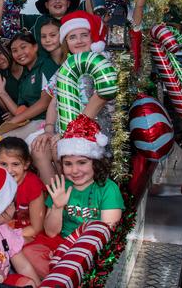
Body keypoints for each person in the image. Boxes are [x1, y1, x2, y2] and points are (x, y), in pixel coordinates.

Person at [23, 114, 124, 278]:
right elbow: (50, 232)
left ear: (95, 162)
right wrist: (57, 206)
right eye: (68, 164)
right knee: (28, 252)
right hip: (59, 243)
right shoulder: (62, 185)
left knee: (77, 268)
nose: (75, 171)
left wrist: (68, 255)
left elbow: (106, 235)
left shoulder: (108, 189)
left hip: (89, 248)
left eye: (82, 162)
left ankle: (61, 276)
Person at [30, 10, 111, 184]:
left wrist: (70, 133)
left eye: (84, 35)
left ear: (93, 38)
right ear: (66, 42)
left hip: (93, 130)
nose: (79, 40)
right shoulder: (64, 68)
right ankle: (58, 198)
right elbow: (53, 100)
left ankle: (74, 195)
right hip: (65, 129)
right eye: (72, 37)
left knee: (61, 151)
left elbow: (102, 97)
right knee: (40, 148)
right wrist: (49, 129)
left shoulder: (101, 62)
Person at [0, 32, 60, 140]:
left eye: (23, 47)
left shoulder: (46, 65)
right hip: (31, 123)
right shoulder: (25, 78)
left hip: (49, 122)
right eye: (14, 51)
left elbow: (45, 101)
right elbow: (20, 111)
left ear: (35, 47)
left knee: (0, 141)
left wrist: (13, 122)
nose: (19, 53)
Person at [0, 137, 46, 240]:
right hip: (2, 230)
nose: (9, 170)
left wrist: (6, 236)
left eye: (15, 164)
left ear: (26, 164)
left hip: (28, 234)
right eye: (3, 164)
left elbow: (37, 228)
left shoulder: (32, 185)